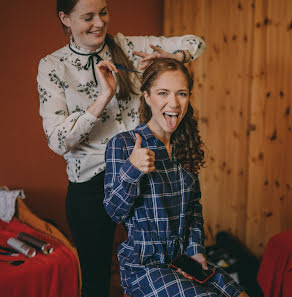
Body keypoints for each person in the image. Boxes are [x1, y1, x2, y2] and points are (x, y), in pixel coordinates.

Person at [36, 0, 205, 296]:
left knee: (162, 269)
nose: (100, 23)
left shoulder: (127, 46)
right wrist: (104, 97)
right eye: (88, 17)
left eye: (103, 13)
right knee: (96, 284)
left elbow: (196, 42)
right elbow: (58, 141)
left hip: (144, 170)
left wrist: (175, 57)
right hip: (90, 184)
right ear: (65, 18)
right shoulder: (53, 67)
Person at [103, 58, 249, 297]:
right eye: (163, 93)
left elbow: (193, 208)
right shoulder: (124, 144)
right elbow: (114, 211)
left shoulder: (184, 144)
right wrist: (132, 170)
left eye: (181, 93)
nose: (174, 102)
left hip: (184, 258)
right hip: (144, 266)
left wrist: (196, 250)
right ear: (147, 96)